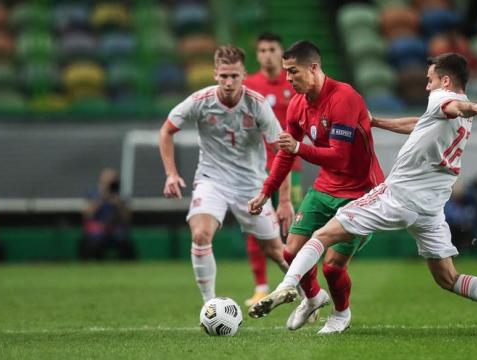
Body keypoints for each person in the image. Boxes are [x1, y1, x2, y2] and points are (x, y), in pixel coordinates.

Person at [249, 53, 477, 335]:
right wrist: (377, 122)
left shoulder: (446, 100)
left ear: (445, 81)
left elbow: (451, 107)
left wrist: (475, 108)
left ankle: (287, 286)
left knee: (322, 236)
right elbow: (421, 125)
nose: (426, 84)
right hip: (430, 208)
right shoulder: (455, 112)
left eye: (430, 78)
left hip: (399, 196)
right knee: (448, 278)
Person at [247, 40, 387, 334]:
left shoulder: (344, 98)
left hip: (361, 193)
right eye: (286, 72)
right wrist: (265, 191)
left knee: (332, 267)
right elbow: (285, 153)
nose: (288, 78)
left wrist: (298, 147)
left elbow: (339, 155)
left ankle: (341, 314)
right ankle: (312, 298)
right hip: (325, 188)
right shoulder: (298, 104)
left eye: (293, 71)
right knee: (290, 252)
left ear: (314, 68)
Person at [158, 45, 289, 303]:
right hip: (212, 180)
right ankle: (209, 305)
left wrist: (284, 200)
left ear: (243, 74)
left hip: (251, 185)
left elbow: (282, 151)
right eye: (224, 76)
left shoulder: (258, 105)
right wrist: (171, 174)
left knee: (275, 250)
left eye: (235, 76)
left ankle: (312, 296)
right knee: (200, 234)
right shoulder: (200, 101)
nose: (229, 82)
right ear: (215, 74)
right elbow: (166, 131)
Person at [242, 32, 300, 307]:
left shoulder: (295, 83)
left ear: (281, 52)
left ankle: (297, 285)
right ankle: (261, 286)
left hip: (291, 167)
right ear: (257, 54)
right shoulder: (249, 85)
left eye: (271, 49)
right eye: (262, 49)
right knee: (256, 226)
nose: (267, 54)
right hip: (256, 168)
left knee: (293, 228)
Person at [79, 168, 136, 260]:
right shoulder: (92, 194)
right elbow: (87, 215)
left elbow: (127, 218)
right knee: (92, 242)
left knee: (124, 241)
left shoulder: (121, 195)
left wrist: (118, 203)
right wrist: (101, 198)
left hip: (116, 230)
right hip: (97, 230)